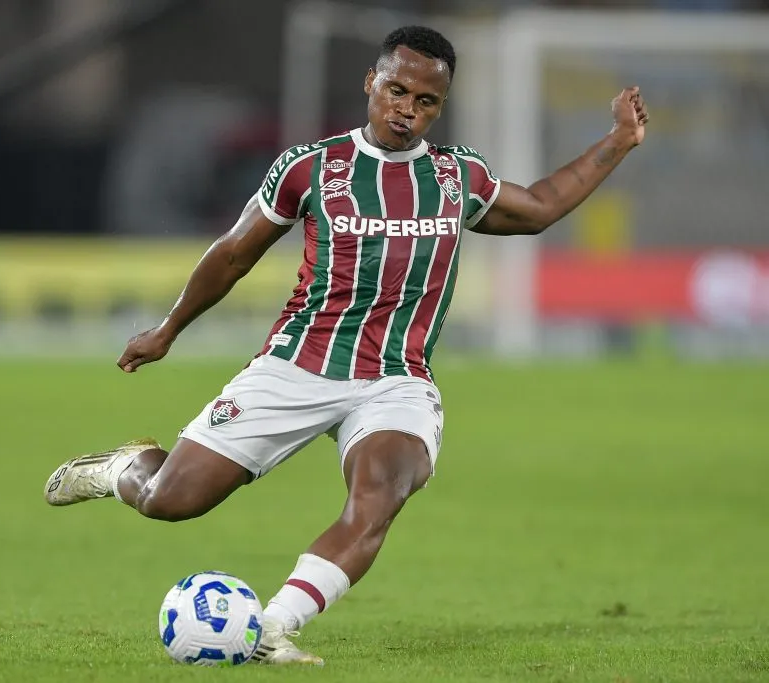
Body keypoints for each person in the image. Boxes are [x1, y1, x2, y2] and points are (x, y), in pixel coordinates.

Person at [44, 25, 648, 666]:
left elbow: (541, 207)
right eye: (397, 91)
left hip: (396, 378)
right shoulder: (312, 168)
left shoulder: (455, 177)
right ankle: (123, 468)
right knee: (172, 500)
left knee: (380, 496)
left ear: (440, 106)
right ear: (371, 82)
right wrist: (168, 329)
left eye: (425, 102)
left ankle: (274, 627)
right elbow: (233, 254)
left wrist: (618, 141)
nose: (406, 111)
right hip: (299, 364)